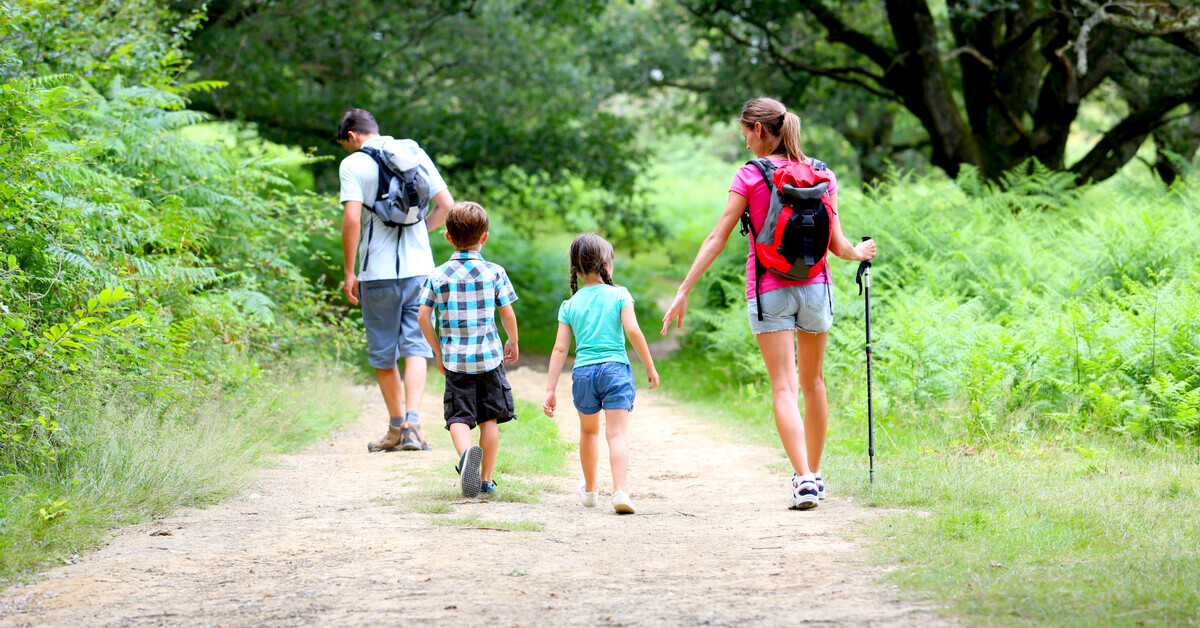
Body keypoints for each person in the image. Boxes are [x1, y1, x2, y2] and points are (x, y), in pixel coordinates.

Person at [660, 97, 876, 511]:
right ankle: (813, 475)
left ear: (759, 130)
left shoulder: (750, 175)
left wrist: (684, 288)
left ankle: (804, 480)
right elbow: (838, 245)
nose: (745, 144)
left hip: (769, 290)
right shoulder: (822, 174)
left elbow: (718, 237)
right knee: (814, 384)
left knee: (784, 386)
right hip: (817, 288)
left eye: (745, 134)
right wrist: (860, 253)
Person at [337, 108, 454, 453]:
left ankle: (394, 429)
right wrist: (419, 230)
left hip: (378, 274)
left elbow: (352, 219)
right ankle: (413, 426)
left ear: (353, 136)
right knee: (416, 347)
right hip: (420, 269)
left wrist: (349, 270)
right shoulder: (412, 152)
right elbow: (446, 205)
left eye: (346, 144)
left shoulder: (353, 164)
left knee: (384, 354)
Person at [543, 233, 660, 515]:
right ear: (606, 264)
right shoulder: (620, 294)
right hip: (615, 370)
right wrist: (649, 364)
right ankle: (619, 490)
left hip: (583, 373)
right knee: (617, 434)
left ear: (576, 269)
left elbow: (560, 350)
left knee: (588, 432)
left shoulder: (569, 305)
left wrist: (550, 388)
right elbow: (633, 330)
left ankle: (592, 491)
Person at [417, 202, 520, 498]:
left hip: (455, 361)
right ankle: (486, 480)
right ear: (484, 237)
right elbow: (507, 313)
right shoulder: (494, 272)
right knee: (489, 419)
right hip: (489, 358)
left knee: (459, 418)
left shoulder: (438, 275)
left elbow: (423, 316)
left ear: (448, 237)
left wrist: (438, 352)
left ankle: (466, 458)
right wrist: (511, 340)